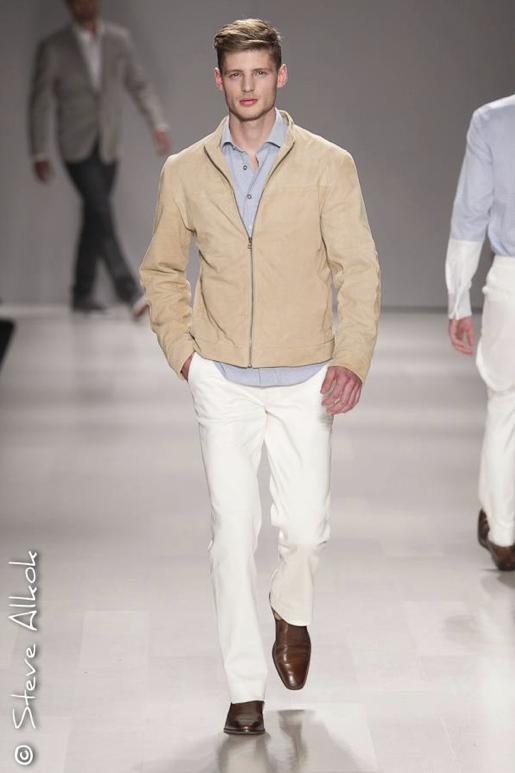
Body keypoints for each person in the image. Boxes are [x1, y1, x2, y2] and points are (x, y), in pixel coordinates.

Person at [140, 18, 380, 734]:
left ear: (281, 75)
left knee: (304, 532)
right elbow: (161, 268)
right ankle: (244, 688)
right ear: (219, 81)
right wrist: (185, 354)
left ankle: (291, 608)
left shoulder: (328, 164)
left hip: (307, 376)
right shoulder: (185, 170)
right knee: (231, 532)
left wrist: (351, 356)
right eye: (236, 75)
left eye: (260, 73)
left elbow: (358, 268)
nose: (248, 87)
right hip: (222, 378)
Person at [28, 0, 171, 317]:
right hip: (74, 144)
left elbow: (138, 84)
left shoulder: (118, 40)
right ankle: (129, 291)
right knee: (101, 210)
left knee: (94, 215)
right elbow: (40, 100)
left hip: (108, 143)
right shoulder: (54, 47)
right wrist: (39, 150)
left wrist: (157, 124)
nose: (85, 4)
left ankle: (81, 293)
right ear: (69, 5)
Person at [446, 94, 515, 571]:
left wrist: (458, 299)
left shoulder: (494, 120)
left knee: (506, 405)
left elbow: (471, 213)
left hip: (512, 280)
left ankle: (505, 533)